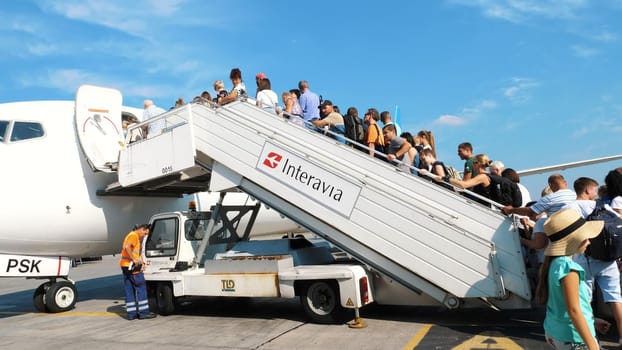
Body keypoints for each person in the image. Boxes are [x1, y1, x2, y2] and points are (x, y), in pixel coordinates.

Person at [565, 177, 622, 346]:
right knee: (616, 299)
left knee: (585, 300)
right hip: (608, 259)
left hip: (584, 258)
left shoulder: (571, 207)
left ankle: (591, 340)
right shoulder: (602, 206)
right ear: (587, 190)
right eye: (594, 189)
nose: (595, 192)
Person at [536, 209, 603, 349]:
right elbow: (574, 310)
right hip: (573, 337)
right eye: (585, 237)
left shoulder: (553, 263)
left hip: (555, 331)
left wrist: (591, 320)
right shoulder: (569, 268)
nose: (589, 242)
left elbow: (562, 304)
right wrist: (593, 345)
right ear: (574, 239)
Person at [119, 224, 157, 320]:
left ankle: (131, 314)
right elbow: (127, 247)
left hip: (125, 265)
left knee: (129, 290)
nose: (144, 235)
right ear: (142, 229)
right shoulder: (134, 236)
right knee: (141, 287)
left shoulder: (131, 235)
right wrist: (135, 260)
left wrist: (141, 262)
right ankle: (144, 313)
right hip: (132, 267)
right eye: (145, 233)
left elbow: (132, 251)